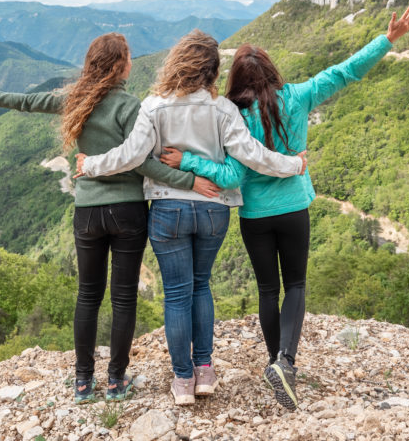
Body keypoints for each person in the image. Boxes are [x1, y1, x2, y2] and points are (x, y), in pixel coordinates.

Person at [159, 6, 409, 411]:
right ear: (273, 71)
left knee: (267, 288)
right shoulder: (297, 96)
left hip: (255, 215)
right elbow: (346, 71)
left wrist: (186, 162)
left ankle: (274, 361)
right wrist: (388, 39)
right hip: (294, 206)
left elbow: (226, 172)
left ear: (237, 79)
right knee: (295, 284)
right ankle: (287, 363)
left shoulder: (233, 114)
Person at [0, 32, 221, 404]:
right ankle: (115, 382)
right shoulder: (130, 106)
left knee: (87, 296)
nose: (130, 61)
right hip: (127, 212)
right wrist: (190, 179)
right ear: (122, 65)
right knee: (124, 299)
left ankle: (81, 382)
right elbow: (144, 162)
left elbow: (27, 102)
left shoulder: (76, 100)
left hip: (88, 212)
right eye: (128, 57)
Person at [73, 29, 307, 406]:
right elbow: (253, 154)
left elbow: (132, 156)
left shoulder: (153, 105)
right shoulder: (224, 110)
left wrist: (92, 165)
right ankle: (205, 372)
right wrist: (293, 164)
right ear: (213, 72)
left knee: (177, 294)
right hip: (213, 209)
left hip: (168, 209)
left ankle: (182, 380)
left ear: (178, 63)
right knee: (201, 286)